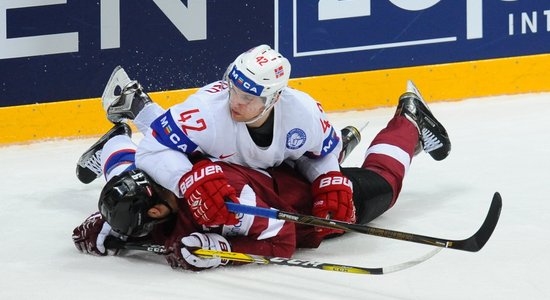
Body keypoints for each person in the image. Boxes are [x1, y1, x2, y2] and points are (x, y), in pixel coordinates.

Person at [73, 44, 451, 270]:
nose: (235, 102)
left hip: (267, 177)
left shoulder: (302, 112)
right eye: (234, 89)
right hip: (228, 171)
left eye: (248, 97)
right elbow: (154, 150)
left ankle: (410, 122)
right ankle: (123, 127)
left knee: (376, 187)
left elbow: (320, 155)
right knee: (154, 173)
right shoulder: (207, 110)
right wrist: (115, 220)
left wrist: (327, 176)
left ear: (273, 98)